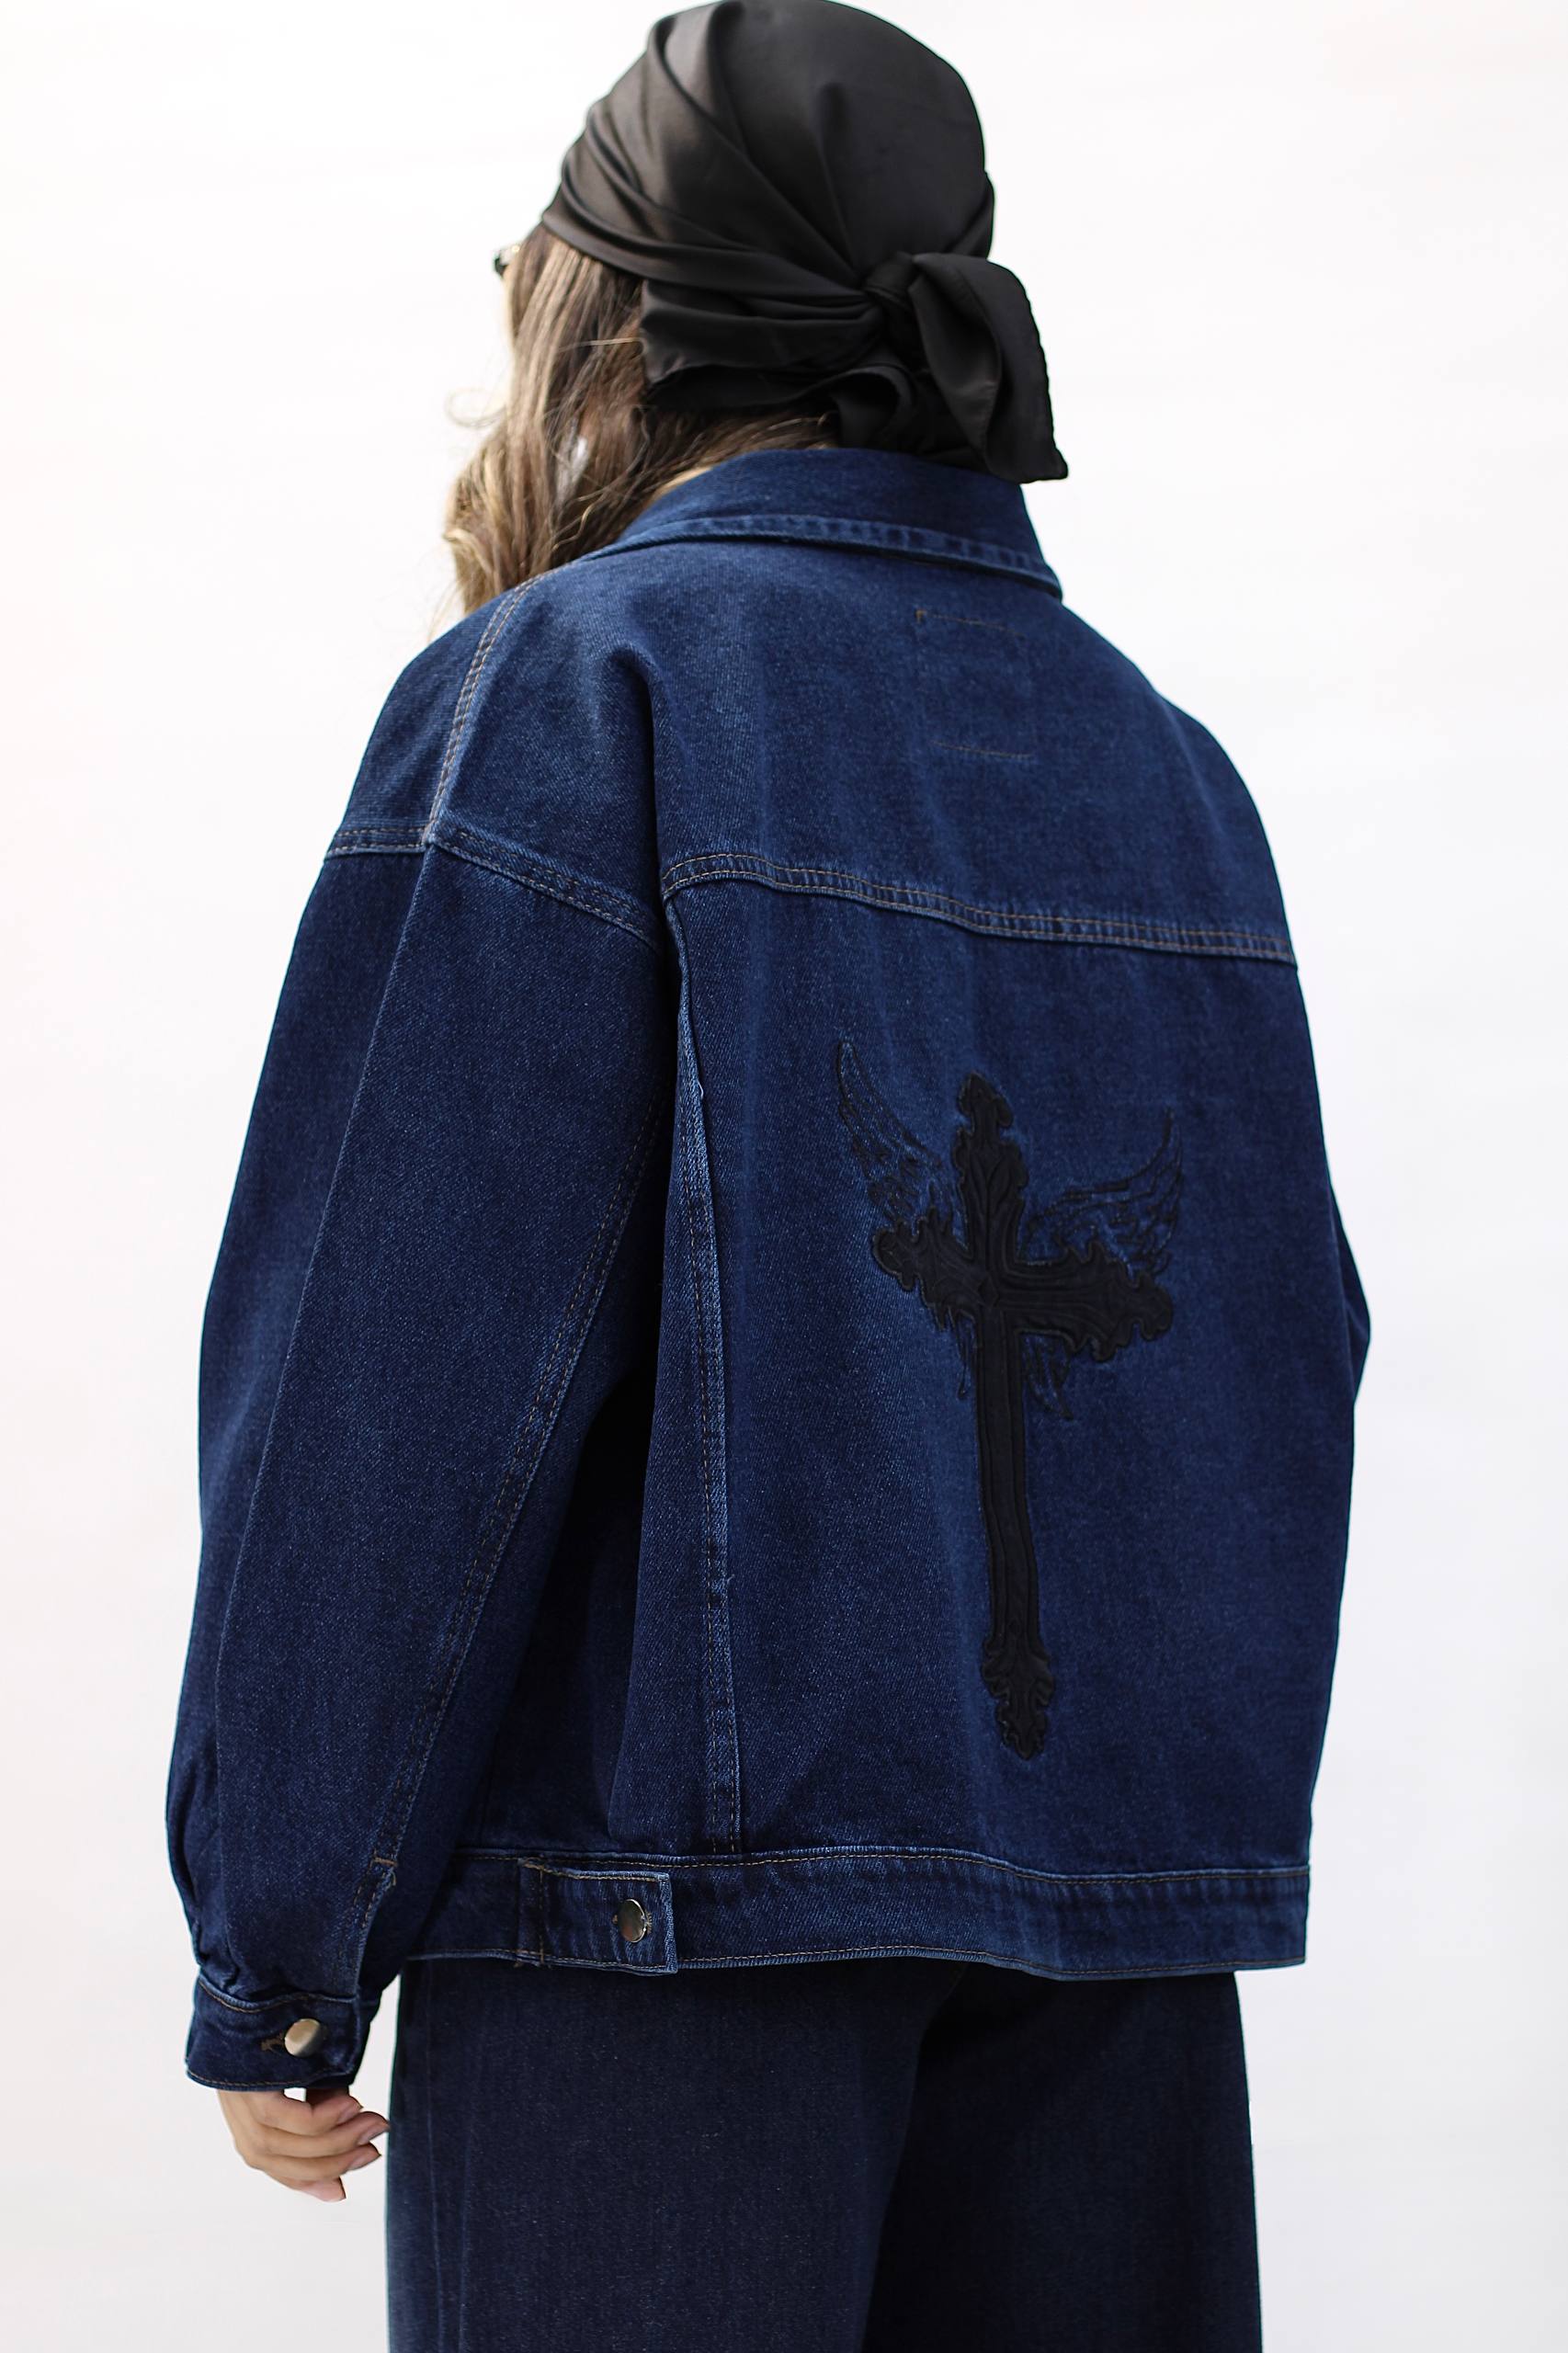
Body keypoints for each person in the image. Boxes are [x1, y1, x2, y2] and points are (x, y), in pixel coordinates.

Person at [165, 5, 1370, 2347]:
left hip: (657, 1948)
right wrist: (1141, 1829)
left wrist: (281, 1929)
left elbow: (401, 1363)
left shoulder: (577, 684)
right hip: (1104, 1964)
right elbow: (1287, 1340)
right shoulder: (1165, 764)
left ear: (613, 323)